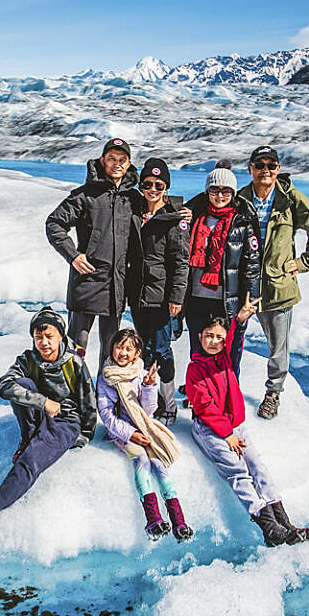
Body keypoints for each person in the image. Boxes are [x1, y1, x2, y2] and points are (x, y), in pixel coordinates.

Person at [186, 296, 309, 547]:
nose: (214, 341)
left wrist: (241, 319)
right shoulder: (195, 369)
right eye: (209, 336)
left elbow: (234, 338)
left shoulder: (225, 360)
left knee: (258, 467)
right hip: (210, 429)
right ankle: (268, 527)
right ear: (200, 336)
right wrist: (227, 435)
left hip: (235, 426)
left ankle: (284, 523)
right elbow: (204, 406)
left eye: (219, 338)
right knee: (239, 472)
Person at [0, 306, 97, 534]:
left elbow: (88, 398)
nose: (44, 342)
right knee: (23, 385)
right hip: (40, 414)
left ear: (60, 336)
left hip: (66, 421)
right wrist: (42, 401)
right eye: (39, 337)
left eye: (49, 336)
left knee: (31, 461)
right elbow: (4, 385)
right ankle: (30, 438)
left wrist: (85, 434)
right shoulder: (28, 360)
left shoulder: (73, 362)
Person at [237, 146, 309, 419]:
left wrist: (303, 262)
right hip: (243, 285)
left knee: (278, 346)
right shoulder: (241, 198)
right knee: (229, 339)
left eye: (271, 165)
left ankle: (273, 393)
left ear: (278, 169)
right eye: (260, 165)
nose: (266, 170)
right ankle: (222, 388)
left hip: (278, 285)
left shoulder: (289, 199)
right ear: (251, 168)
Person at [46, 138, 138, 367]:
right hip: (87, 283)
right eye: (112, 159)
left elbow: (157, 210)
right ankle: (73, 398)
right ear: (102, 160)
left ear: (128, 164)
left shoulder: (133, 198)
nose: (117, 164)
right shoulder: (84, 195)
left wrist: (183, 213)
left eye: (122, 160)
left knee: (112, 351)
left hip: (117, 286)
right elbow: (54, 224)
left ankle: (105, 399)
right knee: (76, 348)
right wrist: (73, 255)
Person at [96, 328, 194, 542]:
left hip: (146, 428)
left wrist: (149, 387)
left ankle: (179, 521)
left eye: (128, 349)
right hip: (123, 433)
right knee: (141, 461)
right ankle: (153, 519)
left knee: (159, 465)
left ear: (137, 353)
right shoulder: (106, 378)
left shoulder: (142, 374)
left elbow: (148, 411)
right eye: (119, 347)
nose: (122, 352)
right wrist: (132, 435)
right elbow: (107, 416)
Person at [182, 160, 260, 376]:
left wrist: (250, 300)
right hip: (197, 296)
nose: (220, 196)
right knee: (198, 346)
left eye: (225, 191)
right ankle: (198, 388)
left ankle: (227, 391)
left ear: (233, 193)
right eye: (214, 190)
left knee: (228, 349)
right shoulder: (195, 216)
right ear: (207, 192)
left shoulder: (242, 221)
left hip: (226, 298)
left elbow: (252, 263)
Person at [127, 158, 189, 425]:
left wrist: (176, 297)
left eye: (159, 184)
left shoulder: (174, 220)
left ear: (166, 187)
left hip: (162, 297)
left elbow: (180, 261)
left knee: (162, 350)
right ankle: (148, 398)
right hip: (139, 295)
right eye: (148, 184)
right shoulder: (135, 213)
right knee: (144, 349)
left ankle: (169, 403)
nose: (153, 189)